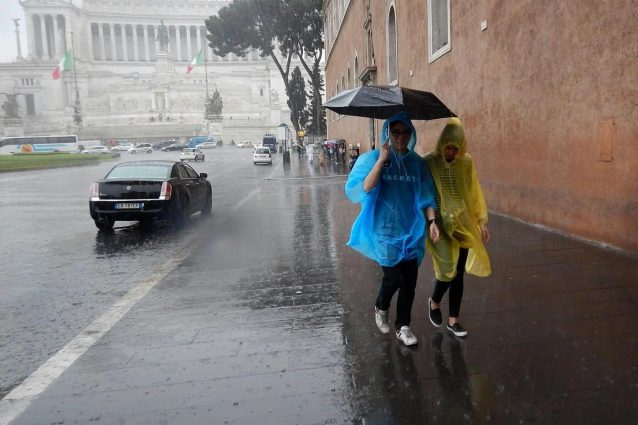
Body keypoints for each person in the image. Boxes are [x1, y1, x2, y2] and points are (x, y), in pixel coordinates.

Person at [345, 111, 440, 346]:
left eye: (405, 132)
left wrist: (432, 222)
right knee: (393, 278)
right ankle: (381, 305)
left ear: (411, 134)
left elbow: (427, 196)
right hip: (384, 231)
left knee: (409, 282)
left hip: (412, 231)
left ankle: (403, 326)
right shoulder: (373, 159)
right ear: (388, 133)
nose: (400, 136)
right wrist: (381, 161)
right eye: (396, 132)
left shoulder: (417, 163)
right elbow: (364, 188)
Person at [424, 117, 491, 338]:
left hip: (462, 223)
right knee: (447, 270)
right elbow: (425, 193)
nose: (451, 153)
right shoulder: (430, 162)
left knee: (459, 272)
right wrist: (431, 221)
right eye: (448, 148)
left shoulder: (466, 162)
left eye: (455, 149)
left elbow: (473, 192)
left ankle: (454, 320)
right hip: (439, 225)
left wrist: (480, 221)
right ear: (441, 144)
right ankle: (434, 301)